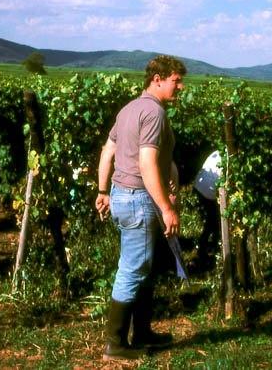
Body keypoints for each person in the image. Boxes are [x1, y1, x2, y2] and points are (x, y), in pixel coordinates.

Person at [94, 55, 187, 361]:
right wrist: (166, 208)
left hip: (123, 195)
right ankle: (116, 344)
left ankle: (143, 333)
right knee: (133, 270)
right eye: (176, 80)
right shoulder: (154, 113)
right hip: (138, 199)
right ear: (157, 79)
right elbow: (146, 163)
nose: (181, 87)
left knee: (142, 266)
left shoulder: (129, 109)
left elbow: (108, 152)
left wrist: (104, 190)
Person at [192, 150, 223, 269]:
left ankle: (207, 246)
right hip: (207, 190)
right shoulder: (227, 156)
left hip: (201, 186)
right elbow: (223, 181)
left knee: (212, 219)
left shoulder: (219, 152)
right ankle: (206, 247)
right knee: (213, 220)